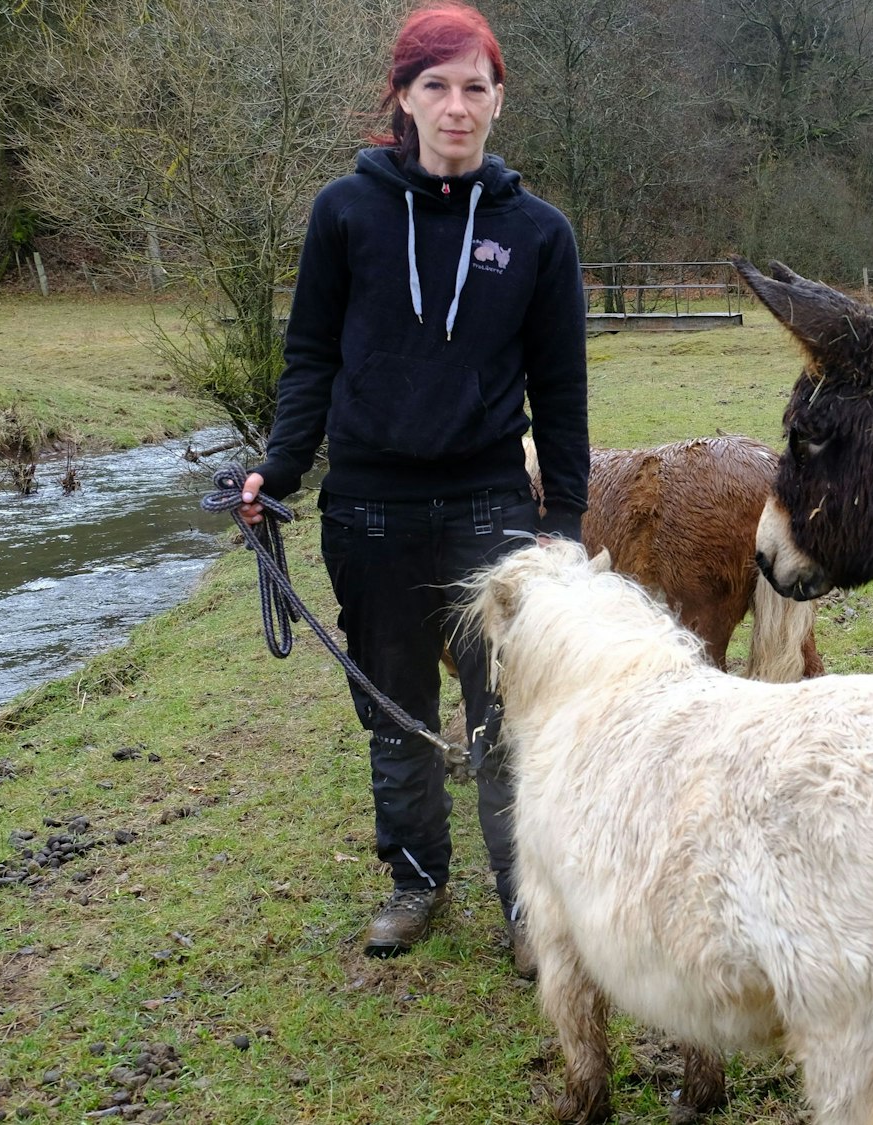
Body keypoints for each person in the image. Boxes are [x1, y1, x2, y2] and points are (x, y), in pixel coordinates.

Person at [236, 1, 588, 974]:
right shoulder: (342, 214)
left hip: (489, 505)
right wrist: (282, 464)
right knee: (396, 706)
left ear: (499, 100)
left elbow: (561, 394)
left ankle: (528, 905)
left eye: (476, 87)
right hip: (370, 508)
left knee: (510, 711)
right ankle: (416, 883)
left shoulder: (538, 234)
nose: (456, 106)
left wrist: (562, 521)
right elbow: (309, 358)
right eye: (435, 86)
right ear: (402, 97)